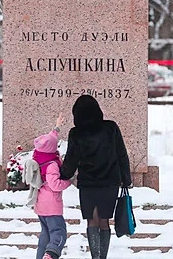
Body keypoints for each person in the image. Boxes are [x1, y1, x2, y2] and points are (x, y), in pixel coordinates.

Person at [60, 95, 132, 259]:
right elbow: (122, 154)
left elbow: (71, 161)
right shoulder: (111, 128)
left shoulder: (76, 133)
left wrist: (62, 174)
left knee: (92, 221)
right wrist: (126, 179)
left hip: (88, 185)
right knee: (105, 221)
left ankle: (95, 257)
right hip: (110, 183)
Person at [32, 115, 73, 259]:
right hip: (52, 205)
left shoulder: (39, 158)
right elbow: (55, 185)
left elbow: (49, 140)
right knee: (59, 232)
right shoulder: (52, 165)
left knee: (46, 233)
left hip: (40, 204)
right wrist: (68, 182)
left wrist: (57, 126)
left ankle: (41, 255)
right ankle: (51, 254)